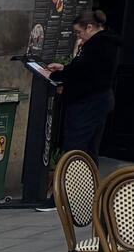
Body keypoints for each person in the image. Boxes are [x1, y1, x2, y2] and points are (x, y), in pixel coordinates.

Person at [47, 10, 120, 156]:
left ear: (89, 27)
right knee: (90, 148)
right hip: (98, 101)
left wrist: (56, 76)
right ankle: (88, 171)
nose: (78, 36)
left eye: (79, 32)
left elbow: (82, 73)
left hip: (87, 104)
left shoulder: (96, 45)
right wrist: (64, 68)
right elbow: (84, 69)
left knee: (76, 148)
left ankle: (75, 171)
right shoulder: (106, 42)